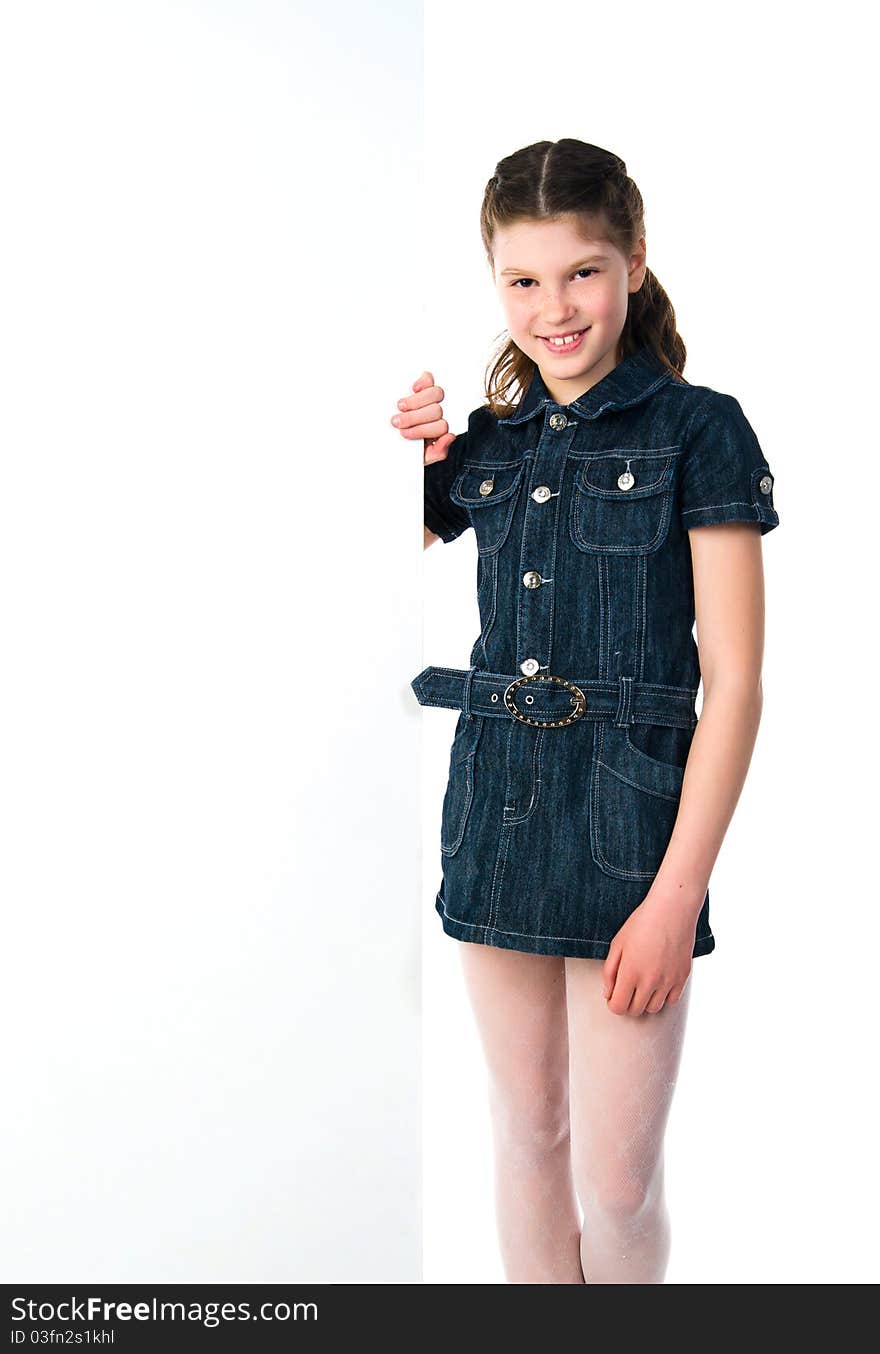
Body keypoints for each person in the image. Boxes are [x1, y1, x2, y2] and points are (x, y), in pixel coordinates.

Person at [391, 138, 780, 1284]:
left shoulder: (701, 428)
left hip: (633, 833)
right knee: (527, 1137)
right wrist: (403, 458)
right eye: (522, 279)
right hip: (495, 813)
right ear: (493, 281)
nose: (553, 308)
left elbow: (739, 683)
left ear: (636, 262)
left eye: (582, 272)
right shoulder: (487, 444)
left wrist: (676, 896)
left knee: (616, 1182)